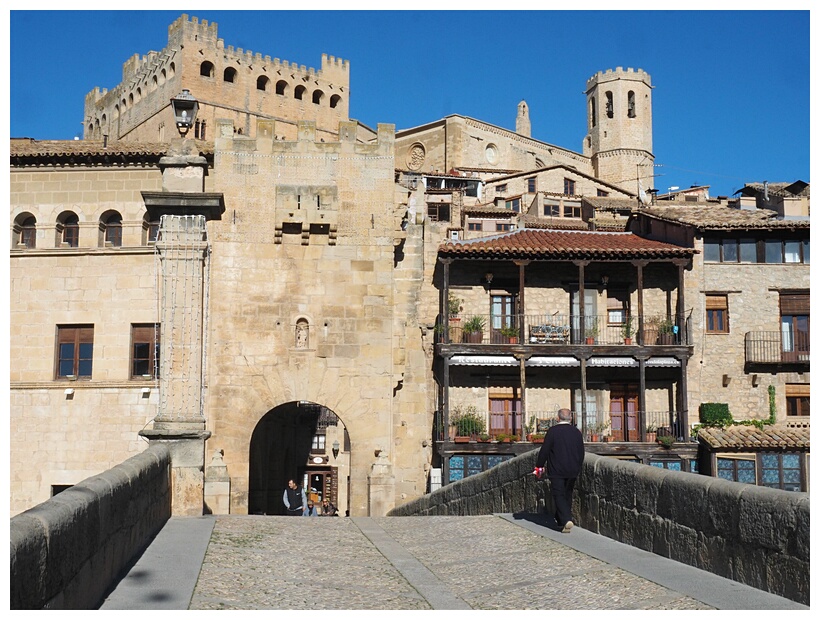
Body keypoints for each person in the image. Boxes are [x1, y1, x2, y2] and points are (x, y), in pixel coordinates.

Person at [535, 408, 585, 533]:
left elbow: (545, 451)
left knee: (558, 494)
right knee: (567, 494)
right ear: (571, 419)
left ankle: (567, 519)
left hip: (557, 469)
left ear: (558, 418)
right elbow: (581, 452)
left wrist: (539, 466)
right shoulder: (576, 432)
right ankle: (561, 522)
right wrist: (578, 466)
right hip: (573, 469)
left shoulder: (553, 432)